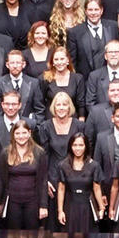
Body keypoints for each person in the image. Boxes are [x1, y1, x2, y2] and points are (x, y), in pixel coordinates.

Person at [37, 92, 85, 230]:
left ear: (70, 107)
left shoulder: (79, 126)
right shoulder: (45, 126)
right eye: (58, 104)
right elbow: (42, 156)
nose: (62, 107)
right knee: (54, 225)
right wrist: (45, 181)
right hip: (53, 178)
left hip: (75, 176)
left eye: (65, 104)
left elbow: (86, 153)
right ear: (53, 107)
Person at [0, 120, 48, 229]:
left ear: (29, 133)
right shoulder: (5, 153)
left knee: (32, 237)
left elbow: (43, 181)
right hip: (13, 202)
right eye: (17, 133)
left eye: (24, 133)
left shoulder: (39, 153)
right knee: (14, 237)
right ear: (13, 135)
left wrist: (43, 205)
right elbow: (0, 179)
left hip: (33, 201)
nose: (21, 136)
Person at [57, 132, 104, 233]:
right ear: (70, 146)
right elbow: (61, 189)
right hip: (70, 205)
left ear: (86, 146)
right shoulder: (63, 165)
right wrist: (60, 211)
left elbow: (96, 188)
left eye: (81, 145)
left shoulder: (94, 165)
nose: (78, 148)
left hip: (87, 206)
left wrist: (101, 208)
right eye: (75, 145)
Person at [66, 0, 119, 78]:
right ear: (86, 11)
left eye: (96, 9)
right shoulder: (75, 32)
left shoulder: (113, 27)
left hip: (110, 80)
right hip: (86, 82)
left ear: (101, 10)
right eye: (90, 10)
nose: (93, 13)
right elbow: (72, 62)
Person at [0, 50, 44, 121]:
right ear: (7, 65)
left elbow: (39, 110)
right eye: (12, 63)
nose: (15, 66)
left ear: (23, 64)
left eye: (18, 63)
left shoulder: (34, 83)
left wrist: (34, 127)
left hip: (27, 128)